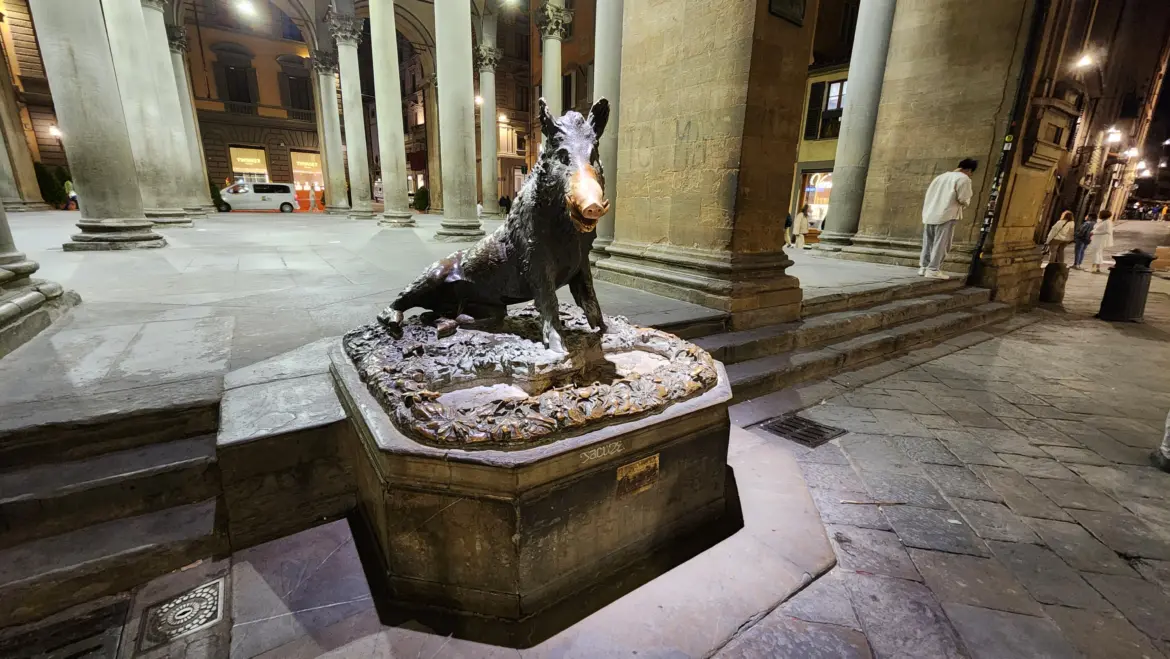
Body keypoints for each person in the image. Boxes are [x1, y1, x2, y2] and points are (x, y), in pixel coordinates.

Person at [919, 158, 977, 279]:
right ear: (969, 170)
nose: (971, 175)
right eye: (971, 172)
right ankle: (933, 269)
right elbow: (964, 198)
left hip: (930, 212)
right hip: (947, 213)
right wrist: (965, 203)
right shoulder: (963, 178)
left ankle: (924, 267)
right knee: (942, 243)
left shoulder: (941, 177)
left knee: (928, 242)